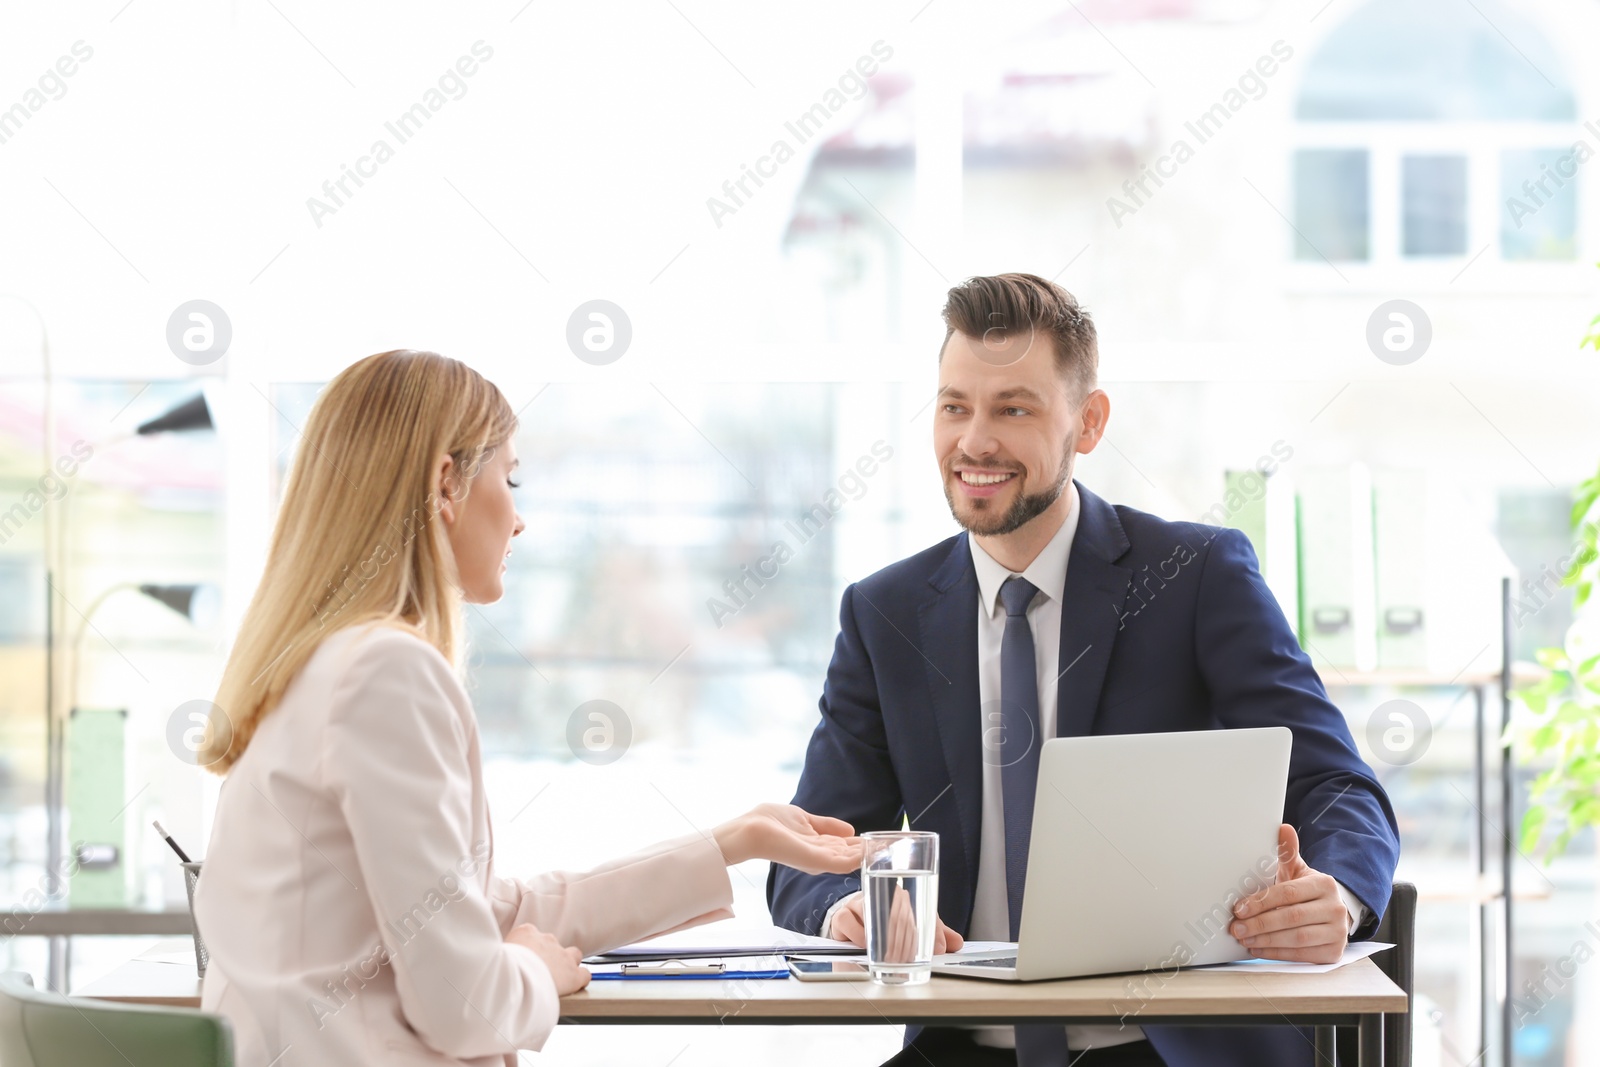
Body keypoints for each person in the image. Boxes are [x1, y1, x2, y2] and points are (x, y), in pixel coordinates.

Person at [767, 274, 1401, 1067]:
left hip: (1163, 1048)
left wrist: (1334, 895)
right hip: (962, 1047)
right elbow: (806, 855)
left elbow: (1341, 786)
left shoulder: (1197, 575)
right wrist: (845, 909)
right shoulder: (883, 612)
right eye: (954, 405)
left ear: (1089, 422)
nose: (974, 442)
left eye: (1014, 409)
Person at [192, 350, 863, 1067]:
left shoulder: (319, 662)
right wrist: (534, 971)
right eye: (508, 478)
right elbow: (464, 1003)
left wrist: (732, 840)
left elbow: (478, 912)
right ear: (444, 482)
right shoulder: (387, 670)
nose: (519, 519)